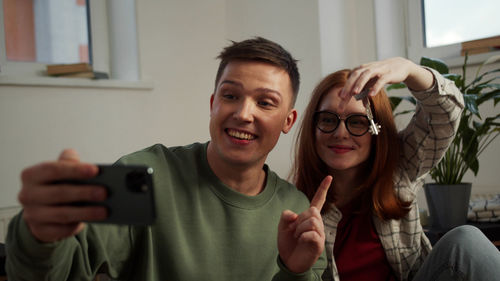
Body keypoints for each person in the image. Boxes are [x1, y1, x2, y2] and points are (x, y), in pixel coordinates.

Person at [6, 37, 328, 280]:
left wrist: (295, 272)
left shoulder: (298, 213)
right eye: (230, 96)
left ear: (288, 120)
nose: (243, 114)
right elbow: (60, 269)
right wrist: (39, 234)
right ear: (213, 103)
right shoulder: (144, 176)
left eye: (265, 103)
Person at [292, 57, 500, 281]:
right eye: (327, 119)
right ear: (313, 129)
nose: (340, 133)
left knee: (466, 240)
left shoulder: (401, 168)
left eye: (357, 122)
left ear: (375, 130)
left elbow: (445, 115)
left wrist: (410, 70)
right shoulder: (294, 206)